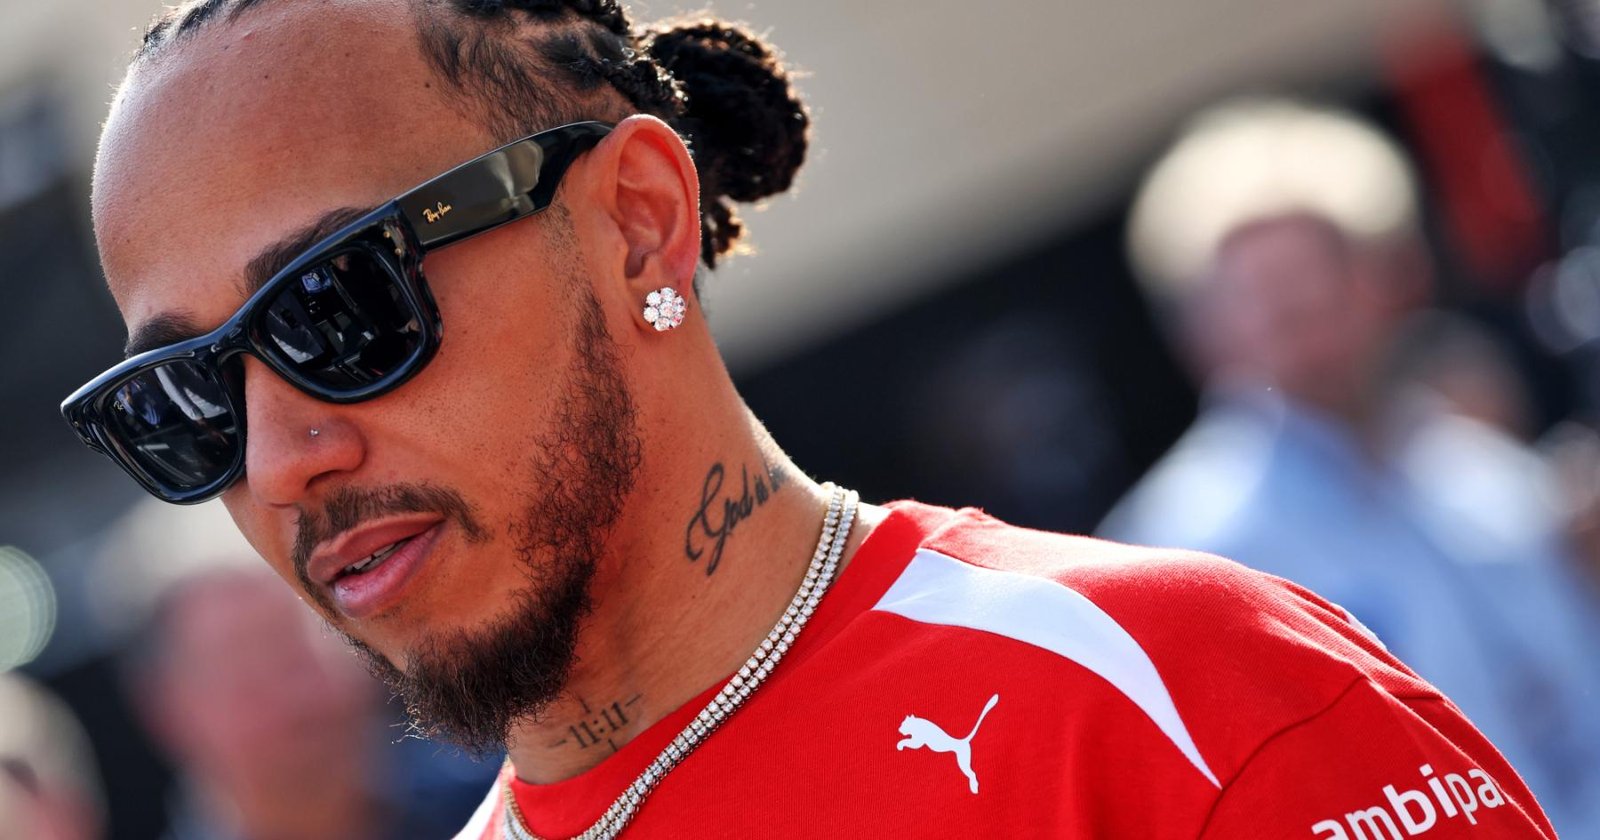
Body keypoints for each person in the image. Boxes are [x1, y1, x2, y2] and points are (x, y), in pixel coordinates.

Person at [61, 2, 1558, 837]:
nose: (280, 457)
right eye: (180, 399)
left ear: (638, 226)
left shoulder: (1170, 696)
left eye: (334, 307)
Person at [1103, 98, 1600, 835]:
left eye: (1315, 269)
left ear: (1395, 274)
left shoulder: (1484, 477)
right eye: (1250, 289)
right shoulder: (1179, 555)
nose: (1291, 307)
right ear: (1200, 329)